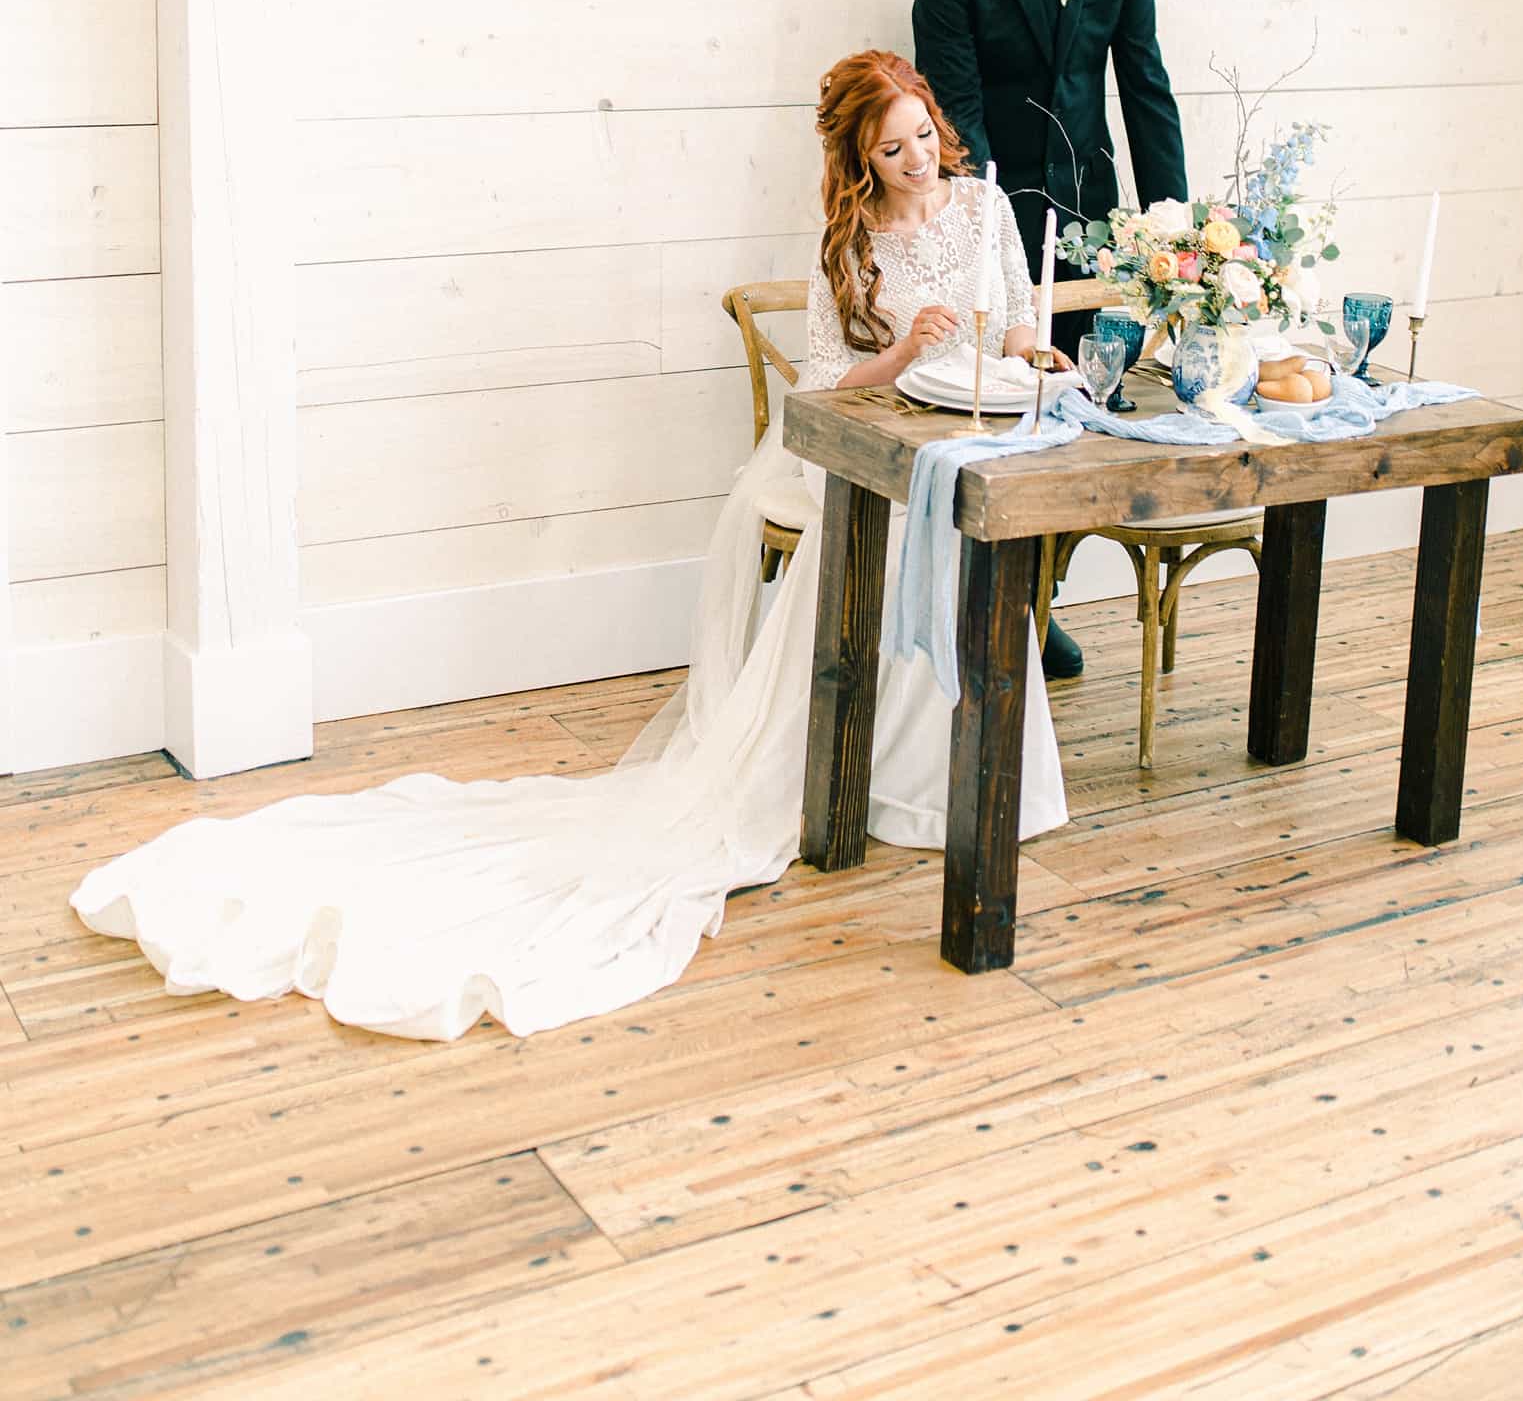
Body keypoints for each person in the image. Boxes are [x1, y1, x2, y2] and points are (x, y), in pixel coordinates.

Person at [71, 53, 1068, 1042]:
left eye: (923, 137)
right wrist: (899, 352)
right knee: (897, 520)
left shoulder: (986, 209)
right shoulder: (844, 243)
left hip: (974, 424)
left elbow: (1020, 321)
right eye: (890, 148)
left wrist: (1035, 355)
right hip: (867, 432)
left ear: (940, 123)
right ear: (858, 156)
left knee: (980, 514)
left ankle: (950, 779)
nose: (914, 159)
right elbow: (818, 388)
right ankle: (872, 776)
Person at [913, 0, 1187, 681]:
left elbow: (1144, 85)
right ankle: (990, 608)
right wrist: (986, 237)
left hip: (1089, 213)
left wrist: (1170, 225)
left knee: (1076, 408)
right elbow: (953, 107)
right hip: (990, 213)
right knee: (1002, 413)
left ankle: (1041, 604)